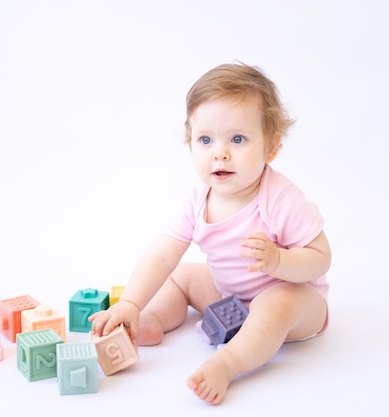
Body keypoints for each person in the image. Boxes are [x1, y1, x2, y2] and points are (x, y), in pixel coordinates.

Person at [89, 62, 331, 405]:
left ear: (271, 146)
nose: (220, 152)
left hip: (297, 304)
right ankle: (153, 320)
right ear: (191, 144)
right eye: (206, 139)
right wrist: (131, 303)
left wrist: (279, 261)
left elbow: (321, 259)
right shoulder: (197, 200)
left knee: (277, 301)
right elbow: (160, 255)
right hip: (229, 295)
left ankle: (228, 362)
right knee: (181, 274)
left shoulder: (279, 199)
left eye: (238, 139)